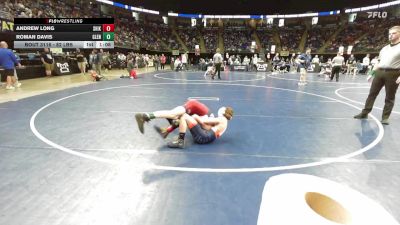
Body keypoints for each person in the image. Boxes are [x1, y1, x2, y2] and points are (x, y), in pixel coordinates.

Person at [354, 26, 400, 125]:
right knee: (372, 94)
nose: (390, 35)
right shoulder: (384, 48)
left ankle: (385, 117)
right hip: (379, 72)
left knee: (390, 97)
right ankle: (364, 113)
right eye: (389, 34)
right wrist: (371, 74)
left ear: (399, 34)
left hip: (393, 73)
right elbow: (378, 62)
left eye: (393, 33)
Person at [135, 99, 210, 137]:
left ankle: (164, 132)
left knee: (179, 119)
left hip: (195, 108)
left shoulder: (206, 122)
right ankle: (145, 116)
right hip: (193, 106)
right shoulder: (206, 122)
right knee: (173, 115)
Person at [167, 107, 234, 149]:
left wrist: (197, 116)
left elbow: (203, 121)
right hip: (206, 138)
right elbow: (207, 127)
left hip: (203, 137)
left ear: (222, 113)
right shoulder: (224, 122)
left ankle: (180, 141)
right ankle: (178, 123)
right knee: (190, 118)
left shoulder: (222, 119)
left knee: (184, 116)